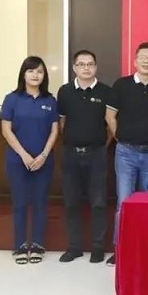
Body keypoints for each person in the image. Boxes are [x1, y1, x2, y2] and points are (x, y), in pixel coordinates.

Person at [105, 41, 148, 266]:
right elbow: (110, 116)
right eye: (143, 57)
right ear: (135, 61)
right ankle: (120, 249)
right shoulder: (121, 85)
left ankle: (147, 248)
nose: (147, 61)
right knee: (124, 203)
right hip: (125, 153)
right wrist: (121, 137)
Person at [0, 56, 59, 265]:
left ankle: (38, 245)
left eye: (40, 71)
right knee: (20, 202)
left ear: (44, 76)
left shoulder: (50, 100)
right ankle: (20, 245)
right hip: (17, 160)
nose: (36, 75)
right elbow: (6, 130)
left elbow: (54, 130)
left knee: (40, 202)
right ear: (23, 74)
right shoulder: (12, 99)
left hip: (44, 161)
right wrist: (24, 155)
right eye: (31, 71)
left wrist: (43, 155)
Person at [56, 49, 111, 264]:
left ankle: (98, 248)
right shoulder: (65, 91)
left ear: (95, 67)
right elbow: (61, 122)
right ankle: (74, 247)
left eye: (90, 64)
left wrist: (100, 144)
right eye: (81, 64)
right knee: (71, 202)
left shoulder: (106, 91)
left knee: (98, 202)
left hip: (97, 154)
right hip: (71, 154)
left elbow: (110, 125)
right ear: (74, 68)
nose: (86, 68)